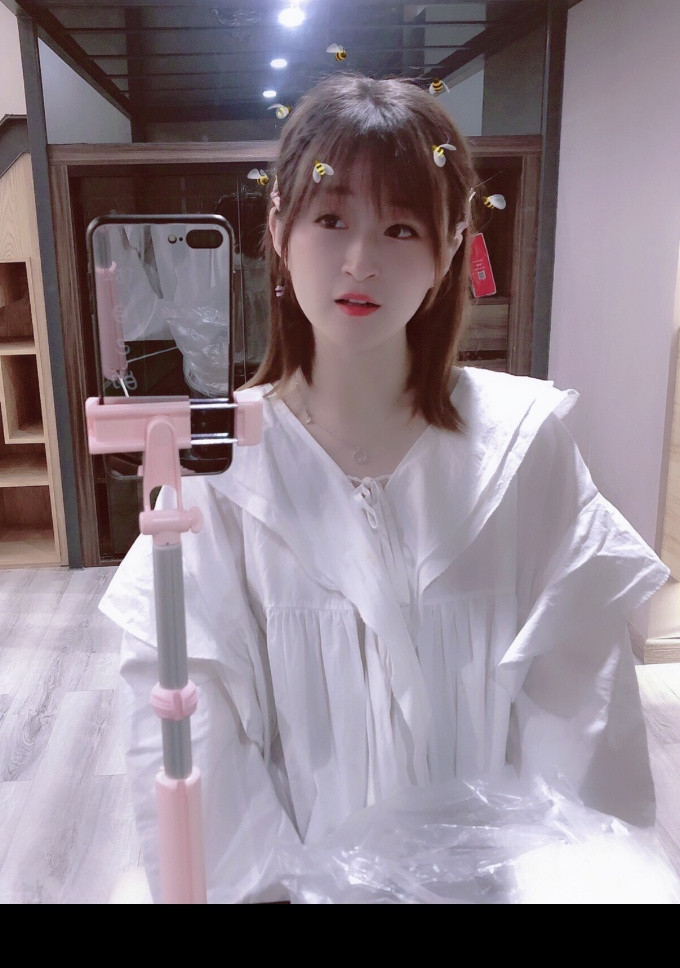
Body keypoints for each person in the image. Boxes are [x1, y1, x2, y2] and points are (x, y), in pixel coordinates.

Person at [99, 72, 670, 904]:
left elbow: (580, 700)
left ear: (448, 249)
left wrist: (552, 877)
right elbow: (192, 725)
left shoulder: (522, 447)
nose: (361, 261)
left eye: (401, 227)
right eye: (332, 220)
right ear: (278, 231)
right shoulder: (218, 473)